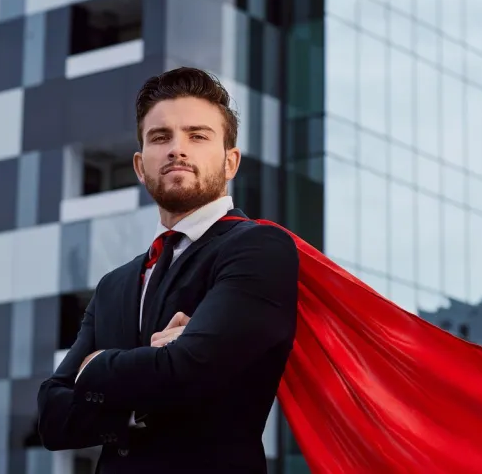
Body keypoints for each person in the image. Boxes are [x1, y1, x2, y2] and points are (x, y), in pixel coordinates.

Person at [37, 67, 299, 473]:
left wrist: (97, 365)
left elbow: (190, 368)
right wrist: (146, 385)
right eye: (161, 137)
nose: (178, 149)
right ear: (141, 166)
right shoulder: (115, 284)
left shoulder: (258, 248)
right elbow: (53, 418)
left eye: (198, 136)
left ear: (230, 162)